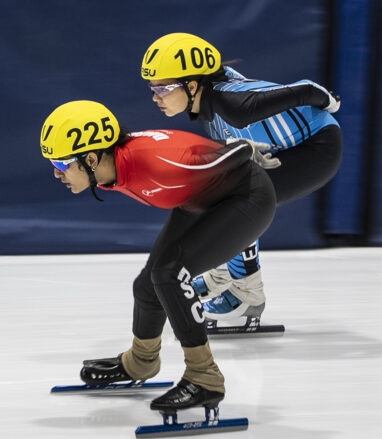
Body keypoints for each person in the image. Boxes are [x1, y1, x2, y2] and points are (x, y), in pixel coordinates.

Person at [40, 100, 278, 415]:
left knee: (169, 274)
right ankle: (141, 361)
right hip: (200, 196)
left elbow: (222, 156)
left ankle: (205, 377)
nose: (57, 173)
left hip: (246, 198)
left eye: (61, 164)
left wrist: (245, 148)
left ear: (92, 158)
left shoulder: (154, 165)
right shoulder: (113, 164)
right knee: (147, 285)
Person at [141, 33, 343, 329]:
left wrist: (329, 101)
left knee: (237, 201)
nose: (155, 97)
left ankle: (246, 296)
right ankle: (224, 276)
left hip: (317, 148)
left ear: (192, 85)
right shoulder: (208, 97)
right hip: (286, 145)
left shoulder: (233, 105)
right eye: (152, 88)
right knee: (210, 193)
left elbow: (305, 89)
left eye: (163, 88)